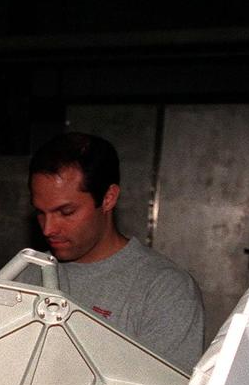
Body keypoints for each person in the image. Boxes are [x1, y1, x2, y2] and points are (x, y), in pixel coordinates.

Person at [26, 132, 205, 370]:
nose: (48, 229)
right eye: (40, 212)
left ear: (108, 198)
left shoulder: (165, 290)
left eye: (66, 212)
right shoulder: (25, 272)